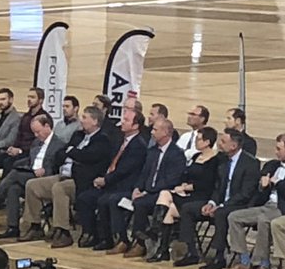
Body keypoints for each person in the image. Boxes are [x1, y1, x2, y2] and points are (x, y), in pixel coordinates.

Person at [22, 106, 114, 250]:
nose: (81, 120)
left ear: (95, 121)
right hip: (63, 174)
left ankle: (63, 231)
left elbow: (88, 157)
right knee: (32, 185)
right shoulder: (78, 136)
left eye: (85, 118)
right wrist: (73, 153)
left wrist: (73, 153)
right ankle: (35, 225)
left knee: (60, 188)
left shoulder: (102, 140)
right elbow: (60, 153)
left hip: (82, 181)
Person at [225, 135, 285, 269]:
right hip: (267, 205)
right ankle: (244, 260)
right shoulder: (274, 165)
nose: (276, 152)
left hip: (284, 208)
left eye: (279, 149)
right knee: (234, 217)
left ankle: (263, 264)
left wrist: (279, 183)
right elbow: (261, 190)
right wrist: (263, 186)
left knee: (263, 220)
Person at [176, 128, 260, 269]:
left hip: (239, 204)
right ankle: (191, 252)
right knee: (188, 208)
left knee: (220, 213)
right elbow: (217, 187)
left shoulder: (251, 163)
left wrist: (221, 205)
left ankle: (219, 256)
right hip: (220, 202)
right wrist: (211, 202)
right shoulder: (222, 161)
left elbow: (245, 193)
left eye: (223, 141)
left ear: (233, 146)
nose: (219, 144)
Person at [107, 117, 186, 258]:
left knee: (140, 204)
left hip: (162, 194)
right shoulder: (152, 151)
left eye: (155, 130)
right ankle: (122, 240)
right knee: (114, 200)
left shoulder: (177, 154)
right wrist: (137, 188)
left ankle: (140, 243)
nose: (151, 132)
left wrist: (148, 191)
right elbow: (143, 174)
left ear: (165, 132)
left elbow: (172, 180)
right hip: (145, 192)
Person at [77, 109, 148, 251]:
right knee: (85, 197)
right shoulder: (119, 140)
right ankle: (92, 234)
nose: (122, 122)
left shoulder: (138, 145)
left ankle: (116, 238)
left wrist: (106, 180)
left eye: (126, 120)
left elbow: (124, 170)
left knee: (107, 200)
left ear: (135, 126)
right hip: (111, 183)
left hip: (125, 186)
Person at [146, 126, 220, 262]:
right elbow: (186, 175)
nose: (196, 142)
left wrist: (186, 188)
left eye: (198, 139)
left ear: (207, 142)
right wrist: (182, 185)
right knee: (166, 199)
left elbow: (207, 183)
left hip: (201, 196)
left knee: (169, 207)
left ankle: (157, 235)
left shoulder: (215, 160)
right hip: (187, 193)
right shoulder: (197, 156)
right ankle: (162, 247)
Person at [0, 115, 64, 240]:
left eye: (38, 132)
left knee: (15, 174)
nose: (36, 135)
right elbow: (30, 159)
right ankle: (13, 227)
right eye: (34, 133)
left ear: (47, 126)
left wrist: (45, 170)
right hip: (30, 173)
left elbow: (58, 166)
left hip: (45, 178)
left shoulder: (59, 144)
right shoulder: (36, 142)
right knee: (13, 189)